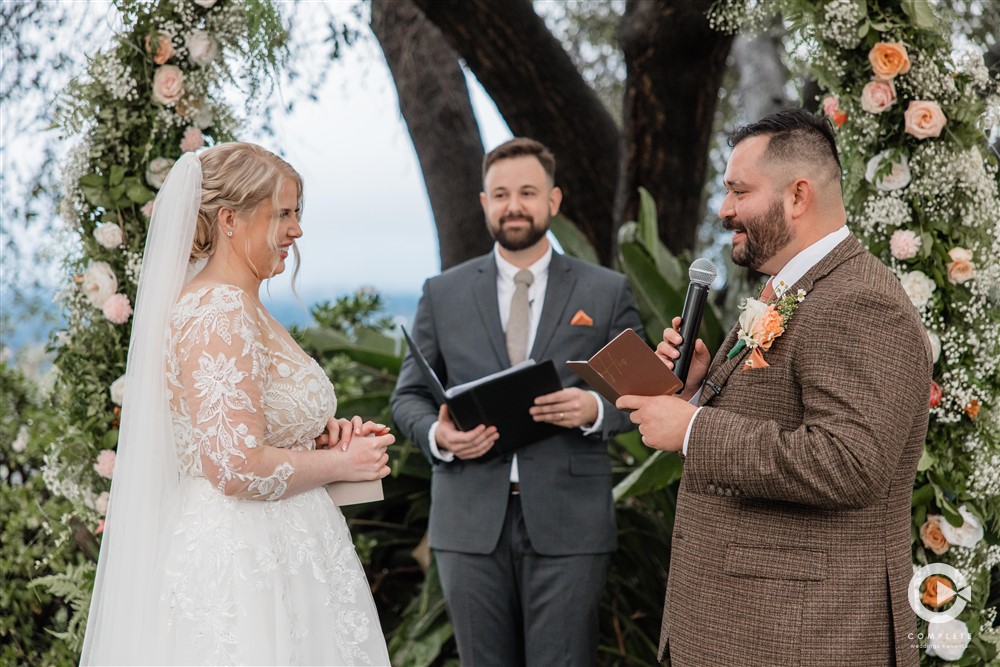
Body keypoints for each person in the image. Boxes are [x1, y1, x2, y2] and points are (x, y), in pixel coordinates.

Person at [617, 109, 931, 666]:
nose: (724, 210)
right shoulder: (793, 287)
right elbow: (777, 412)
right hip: (740, 628)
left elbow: (851, 462)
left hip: (801, 637)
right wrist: (698, 389)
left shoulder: (859, 300)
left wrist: (694, 429)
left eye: (739, 191)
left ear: (797, 196)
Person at [82, 143, 394, 665]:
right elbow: (233, 465)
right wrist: (342, 463)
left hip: (281, 547)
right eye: (284, 214)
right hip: (246, 556)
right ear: (230, 218)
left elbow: (244, 429)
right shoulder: (220, 309)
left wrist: (315, 438)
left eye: (298, 213)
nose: (296, 230)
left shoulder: (240, 305)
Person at [390, 137, 642, 666]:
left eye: (528, 192)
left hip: (570, 524)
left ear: (554, 200)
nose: (513, 205)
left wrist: (593, 408)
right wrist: (440, 437)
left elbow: (637, 394)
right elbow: (409, 396)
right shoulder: (443, 293)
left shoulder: (606, 291)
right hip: (468, 524)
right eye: (500, 194)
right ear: (484, 204)